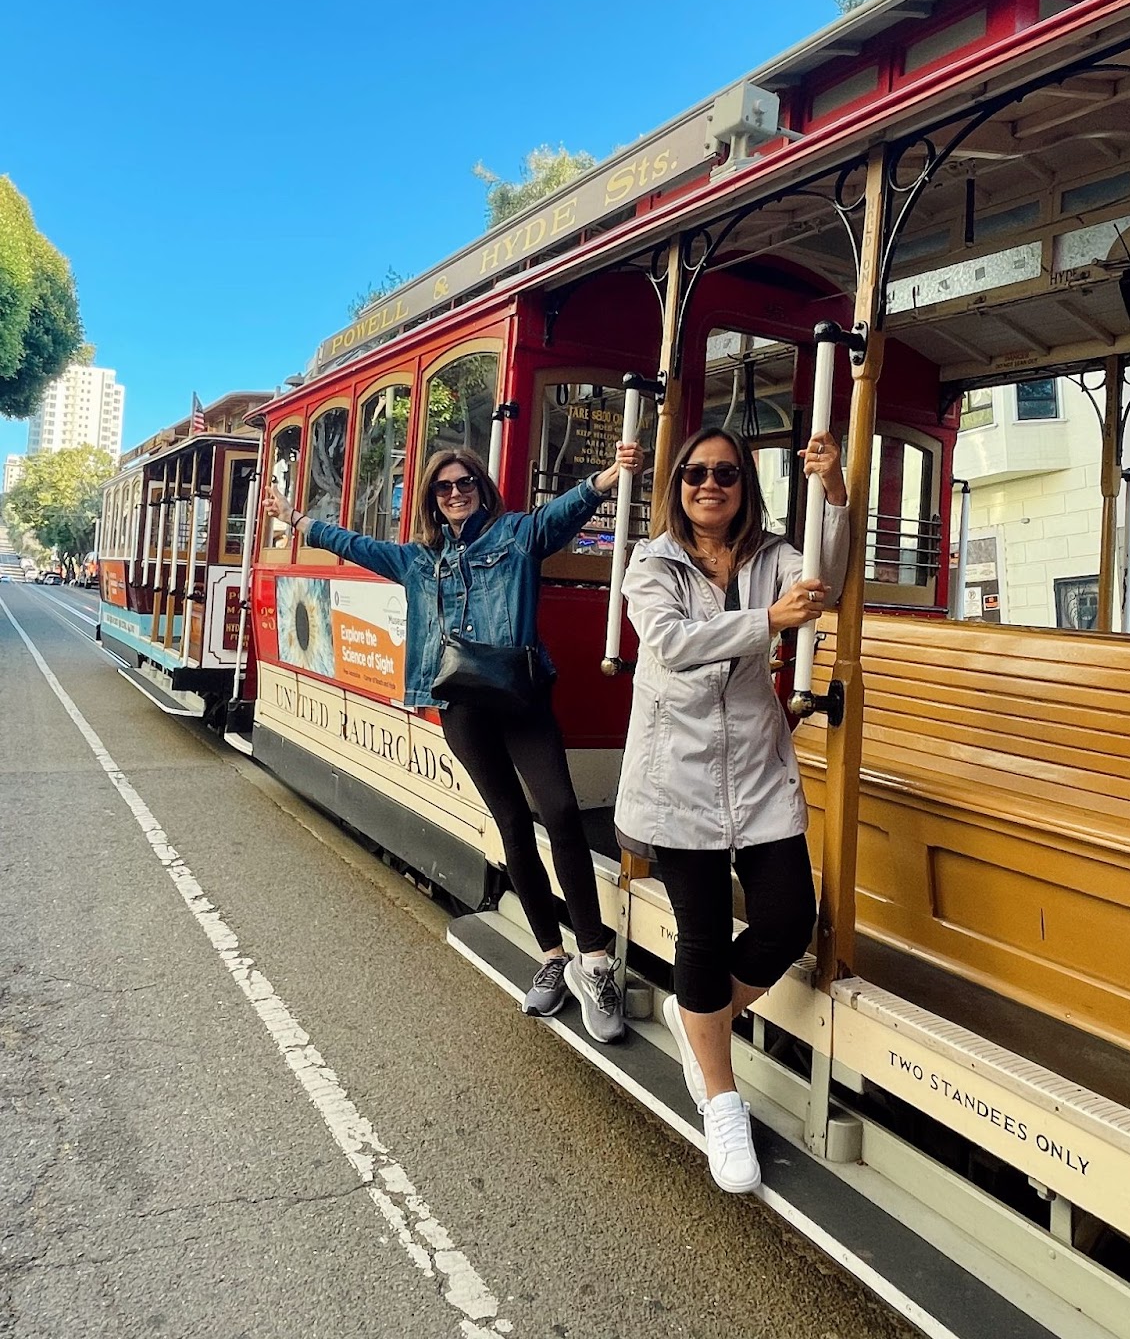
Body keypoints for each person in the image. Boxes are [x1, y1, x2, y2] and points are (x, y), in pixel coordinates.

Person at [263, 438, 644, 1044]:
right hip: (461, 708)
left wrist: (605, 479)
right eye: (444, 487)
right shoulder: (419, 560)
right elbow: (356, 546)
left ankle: (593, 960)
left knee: (563, 814)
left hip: (521, 697)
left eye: (465, 482)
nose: (456, 492)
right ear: (432, 500)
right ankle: (552, 954)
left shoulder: (516, 536)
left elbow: (560, 514)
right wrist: (298, 520)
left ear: (481, 487)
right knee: (512, 824)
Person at [614, 426, 848, 1193]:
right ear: (676, 486)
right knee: (706, 933)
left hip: (754, 765)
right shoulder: (651, 563)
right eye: (694, 474)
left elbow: (828, 586)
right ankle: (721, 1100)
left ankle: (699, 1018)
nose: (708, 485)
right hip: (677, 772)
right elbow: (672, 642)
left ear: (745, 485)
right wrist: (768, 624)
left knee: (786, 919)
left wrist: (835, 494)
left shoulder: (772, 556)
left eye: (725, 474)